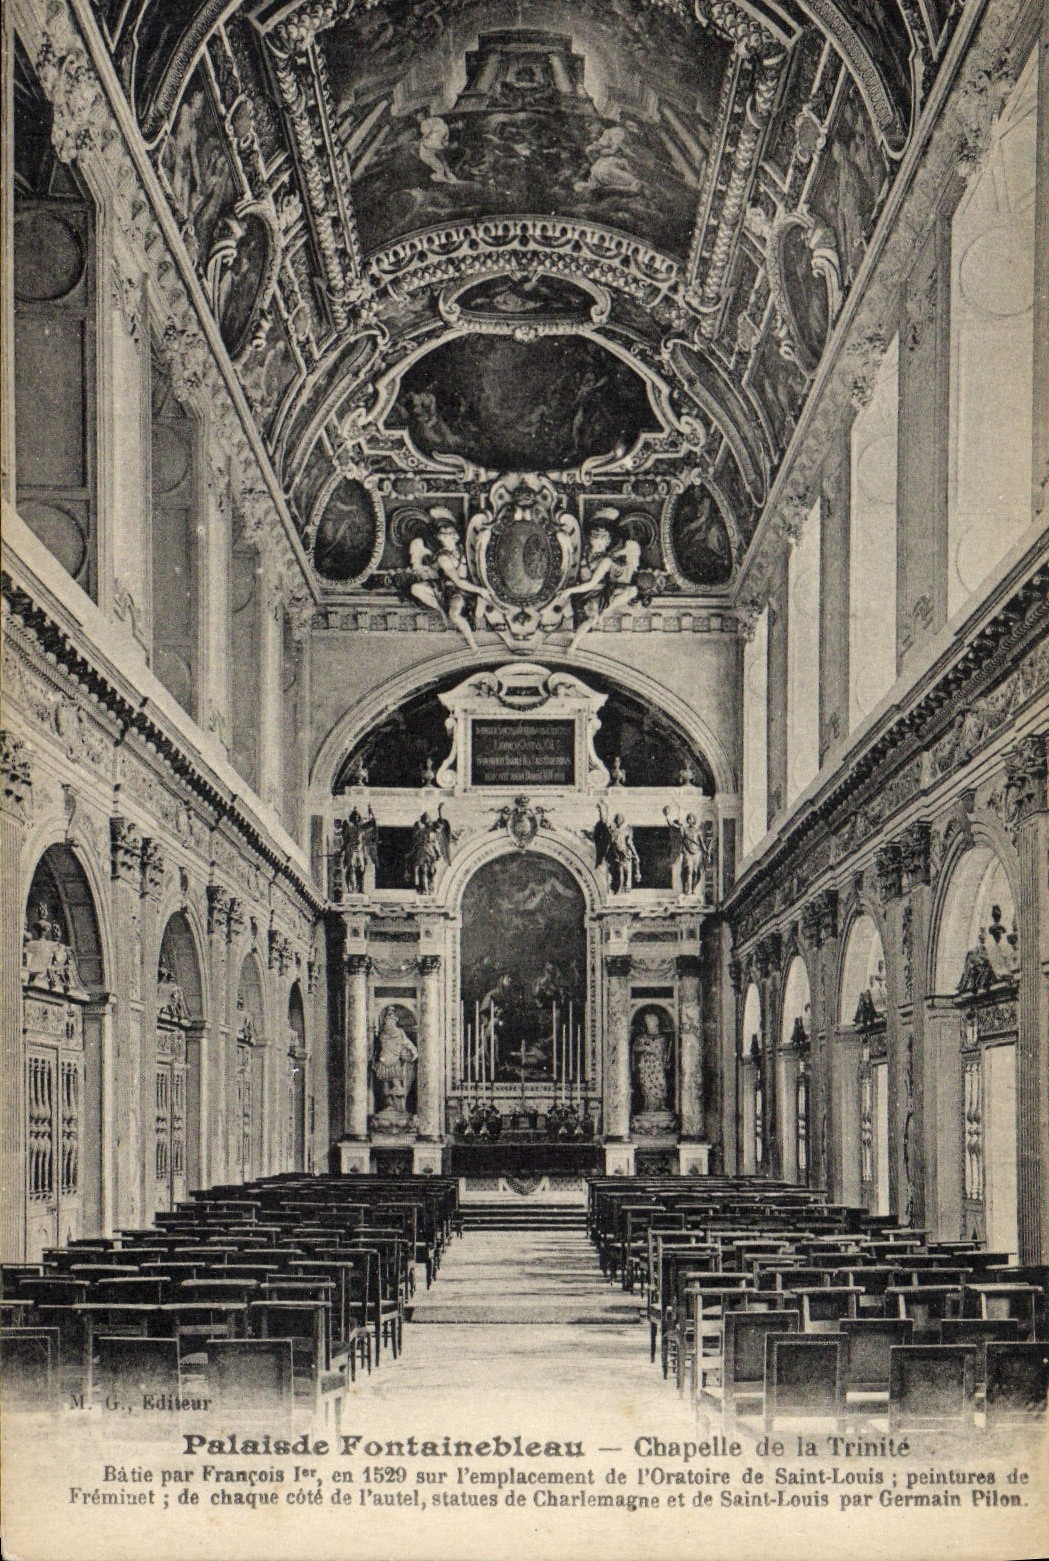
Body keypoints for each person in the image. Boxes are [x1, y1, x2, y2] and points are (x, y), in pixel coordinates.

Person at [372, 1007, 418, 1115]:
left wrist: (414, 1052)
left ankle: (400, 1107)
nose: (389, 1021)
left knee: (396, 1084)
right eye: (387, 1019)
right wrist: (375, 1060)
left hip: (394, 1060)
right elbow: (378, 1048)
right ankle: (389, 1106)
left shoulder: (399, 1032)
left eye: (391, 1019)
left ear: (394, 1020)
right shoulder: (382, 1033)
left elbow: (407, 1043)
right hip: (383, 1060)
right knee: (385, 1086)